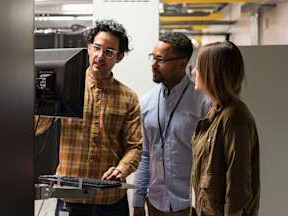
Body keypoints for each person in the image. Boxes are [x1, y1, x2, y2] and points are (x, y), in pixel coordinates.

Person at [36, 19, 142, 216]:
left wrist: (122, 169)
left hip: (110, 200)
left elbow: (134, 146)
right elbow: (38, 128)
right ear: (89, 48)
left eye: (109, 52)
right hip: (70, 196)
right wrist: (40, 99)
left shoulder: (129, 98)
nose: (101, 56)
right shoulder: (66, 87)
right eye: (97, 48)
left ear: (119, 57)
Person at [132, 32, 210, 216]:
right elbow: (145, 154)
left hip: (191, 205)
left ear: (182, 63)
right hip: (155, 204)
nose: (153, 64)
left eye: (160, 59)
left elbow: (209, 160)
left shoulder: (203, 103)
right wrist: (137, 201)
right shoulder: (147, 102)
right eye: (153, 57)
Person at [190, 41, 260, 216]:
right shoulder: (216, 113)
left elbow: (237, 186)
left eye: (198, 67)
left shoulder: (234, 117)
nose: (193, 72)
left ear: (212, 73)